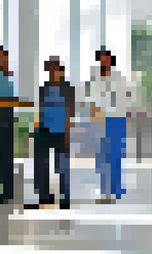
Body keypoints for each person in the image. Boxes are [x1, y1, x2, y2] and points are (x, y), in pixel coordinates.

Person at [0, 46, 31, 205]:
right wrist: (20, 102)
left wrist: (17, 103)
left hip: (8, 122)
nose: (5, 61)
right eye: (2, 58)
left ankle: (8, 192)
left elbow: (7, 100)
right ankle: (4, 193)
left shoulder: (8, 78)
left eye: (7, 58)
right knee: (2, 159)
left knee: (7, 158)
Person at [28, 57, 77, 210]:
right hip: (43, 130)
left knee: (62, 166)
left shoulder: (68, 89)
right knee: (41, 164)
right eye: (49, 70)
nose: (52, 73)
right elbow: (40, 110)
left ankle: (64, 198)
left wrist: (68, 131)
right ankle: (44, 196)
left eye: (55, 70)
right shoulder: (43, 89)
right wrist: (35, 128)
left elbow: (71, 112)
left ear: (60, 71)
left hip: (61, 131)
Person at [85, 48, 133, 202]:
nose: (103, 62)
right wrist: (93, 116)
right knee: (102, 156)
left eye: (106, 59)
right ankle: (105, 188)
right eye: (101, 60)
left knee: (115, 155)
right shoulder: (96, 79)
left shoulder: (118, 78)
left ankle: (116, 188)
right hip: (101, 120)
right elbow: (92, 100)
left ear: (111, 61)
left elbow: (125, 98)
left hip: (117, 119)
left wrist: (126, 116)